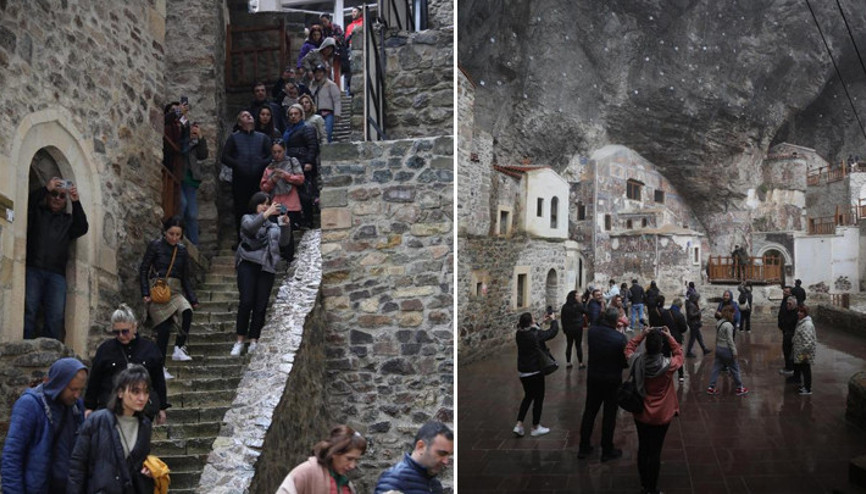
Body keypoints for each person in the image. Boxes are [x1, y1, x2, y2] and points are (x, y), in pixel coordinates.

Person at [1, 357, 88, 493]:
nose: (77, 395)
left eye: (80, 390)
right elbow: (12, 455)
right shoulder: (30, 405)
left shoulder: (76, 407)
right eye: (73, 389)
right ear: (59, 383)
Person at [68, 365, 155, 494]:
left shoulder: (145, 425)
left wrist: (147, 473)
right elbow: (77, 466)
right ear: (120, 392)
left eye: (146, 392)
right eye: (135, 392)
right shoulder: (97, 420)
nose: (142, 398)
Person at [24, 177, 89, 340]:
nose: (57, 198)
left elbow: (82, 227)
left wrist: (76, 202)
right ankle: (24, 344)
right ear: (48, 195)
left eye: (62, 196)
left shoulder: (68, 221)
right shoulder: (36, 213)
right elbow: (27, 203)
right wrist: (45, 189)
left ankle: (50, 350)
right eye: (54, 194)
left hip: (56, 275)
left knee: (55, 315)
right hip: (34, 269)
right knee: (29, 310)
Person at [84, 303, 168, 426]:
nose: (121, 336)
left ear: (134, 327)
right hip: (110, 410)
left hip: (141, 411)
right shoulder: (105, 349)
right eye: (117, 332)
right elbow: (95, 380)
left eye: (125, 331)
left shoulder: (150, 349)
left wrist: (162, 407)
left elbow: (158, 380)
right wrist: (89, 406)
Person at [230, 192, 290, 356]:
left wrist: (285, 225)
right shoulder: (247, 218)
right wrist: (266, 214)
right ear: (254, 205)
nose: (265, 206)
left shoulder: (273, 225)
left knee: (261, 305)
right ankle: (240, 340)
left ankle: (254, 340)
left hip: (267, 266)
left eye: (267, 203)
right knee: (246, 301)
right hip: (248, 263)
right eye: (262, 203)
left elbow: (284, 242)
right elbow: (250, 230)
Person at [624, 327, 683, 494]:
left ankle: (644, 485)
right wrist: (670, 336)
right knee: (655, 451)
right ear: (660, 347)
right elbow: (679, 353)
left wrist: (642, 334)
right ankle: (653, 487)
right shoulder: (669, 365)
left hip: (641, 411)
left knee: (643, 448)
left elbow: (628, 348)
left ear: (647, 346)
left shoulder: (636, 361)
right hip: (662, 414)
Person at [139, 216, 199, 373]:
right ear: (165, 232)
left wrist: (192, 298)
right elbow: (144, 269)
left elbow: (185, 276)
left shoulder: (182, 251)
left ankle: (179, 348)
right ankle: (161, 367)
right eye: (171, 233)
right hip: (158, 291)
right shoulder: (155, 246)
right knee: (164, 330)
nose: (174, 237)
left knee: (187, 312)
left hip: (176, 291)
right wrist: (145, 292)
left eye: (177, 235)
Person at [578, 308, 628, 461]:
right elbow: (623, 362)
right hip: (612, 380)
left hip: (594, 378)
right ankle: (607, 449)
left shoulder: (592, 332)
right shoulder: (619, 339)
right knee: (609, 415)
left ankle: (584, 447)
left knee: (590, 412)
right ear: (615, 321)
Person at [222, 110, 273, 244]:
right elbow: (225, 157)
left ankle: (263, 238)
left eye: (250, 115)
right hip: (240, 180)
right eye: (245, 116)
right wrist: (238, 164)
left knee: (261, 208)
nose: (249, 116)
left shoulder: (263, 138)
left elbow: (270, 156)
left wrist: (261, 164)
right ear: (239, 123)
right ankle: (242, 240)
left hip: (259, 180)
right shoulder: (234, 137)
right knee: (241, 210)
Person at [277, 425, 367, 494]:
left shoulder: (345, 484)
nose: (352, 465)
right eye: (349, 458)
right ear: (334, 453)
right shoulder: (305, 473)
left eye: (356, 460)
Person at [512, 311, 558, 437]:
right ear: (530, 322)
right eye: (533, 319)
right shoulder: (535, 334)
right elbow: (551, 333)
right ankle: (535, 426)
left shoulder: (519, 333)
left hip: (523, 371)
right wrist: (553, 320)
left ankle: (519, 424)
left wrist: (539, 323)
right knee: (539, 398)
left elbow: (532, 330)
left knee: (528, 396)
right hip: (535, 370)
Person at [375, 422, 453, 494]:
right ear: (420, 447)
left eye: (449, 455)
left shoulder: (435, 484)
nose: (446, 461)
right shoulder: (394, 480)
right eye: (441, 453)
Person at [260, 139, 306, 245]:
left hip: (290, 202)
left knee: (287, 231)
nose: (277, 155)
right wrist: (272, 180)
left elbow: (300, 179)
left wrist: (286, 176)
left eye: (279, 151)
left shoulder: (292, 162)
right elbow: (264, 188)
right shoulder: (269, 167)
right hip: (275, 203)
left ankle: (288, 257)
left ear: (284, 150)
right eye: (274, 152)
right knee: (275, 231)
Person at [282, 104, 319, 228]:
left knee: (305, 194)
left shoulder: (307, 128)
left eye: (295, 114)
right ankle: (296, 220)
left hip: (303, 163)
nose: (293, 116)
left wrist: (309, 162)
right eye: (291, 114)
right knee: (292, 194)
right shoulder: (288, 130)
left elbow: (313, 146)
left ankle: (308, 220)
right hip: (290, 164)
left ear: (301, 115)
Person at [706, 305, 749, 396]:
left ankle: (711, 387)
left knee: (716, 368)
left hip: (719, 348)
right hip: (726, 349)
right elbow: (730, 340)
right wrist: (734, 351)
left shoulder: (719, 323)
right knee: (735, 368)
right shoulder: (728, 325)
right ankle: (740, 388)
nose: (734, 315)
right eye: (733, 313)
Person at [179, 122, 208, 246]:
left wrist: (200, 139)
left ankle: (194, 244)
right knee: (182, 204)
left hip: (191, 180)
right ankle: (177, 233)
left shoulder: (196, 144)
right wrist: (189, 140)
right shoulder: (182, 141)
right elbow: (182, 151)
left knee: (192, 214)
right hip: (179, 178)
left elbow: (203, 155)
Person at [308, 63, 341, 143]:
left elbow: (337, 99)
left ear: (324, 73)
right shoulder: (312, 85)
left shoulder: (331, 85)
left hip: (328, 112)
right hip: (316, 113)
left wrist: (337, 114)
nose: (318, 74)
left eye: (320, 72)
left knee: (327, 133)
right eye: (316, 72)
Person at [792, 304, 817, 395]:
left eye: (801, 311)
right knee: (804, 369)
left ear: (805, 313)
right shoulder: (802, 322)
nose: (799, 313)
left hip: (804, 353)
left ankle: (808, 389)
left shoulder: (807, 325)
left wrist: (804, 355)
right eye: (798, 311)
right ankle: (806, 386)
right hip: (801, 351)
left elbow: (808, 342)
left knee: (806, 370)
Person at [561, 290, 587, 369]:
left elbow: (563, 319)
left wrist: (564, 329)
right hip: (577, 328)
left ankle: (568, 363)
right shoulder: (578, 306)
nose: (579, 297)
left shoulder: (565, 306)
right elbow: (586, 311)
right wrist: (583, 303)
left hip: (569, 328)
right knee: (578, 345)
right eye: (578, 296)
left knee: (569, 345)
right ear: (575, 297)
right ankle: (580, 363)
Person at [667, 298, 688, 382]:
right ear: (680, 306)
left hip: (667, 337)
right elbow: (684, 328)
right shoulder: (680, 315)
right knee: (678, 356)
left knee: (667, 356)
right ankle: (681, 375)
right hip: (676, 338)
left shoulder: (666, 312)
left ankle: (667, 373)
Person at [778, 292, 798, 378]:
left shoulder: (796, 313)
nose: (788, 305)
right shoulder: (787, 311)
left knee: (791, 353)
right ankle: (787, 367)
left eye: (790, 304)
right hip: (786, 334)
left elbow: (793, 324)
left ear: (794, 304)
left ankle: (791, 368)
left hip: (792, 336)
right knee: (786, 352)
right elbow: (783, 320)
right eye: (787, 303)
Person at [685, 292, 711, 358]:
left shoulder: (692, 304)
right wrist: (699, 312)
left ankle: (704, 349)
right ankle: (688, 352)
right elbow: (691, 315)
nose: (698, 299)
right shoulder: (691, 305)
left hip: (695, 324)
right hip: (693, 324)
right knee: (692, 338)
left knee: (699, 337)